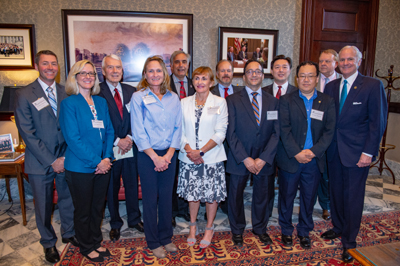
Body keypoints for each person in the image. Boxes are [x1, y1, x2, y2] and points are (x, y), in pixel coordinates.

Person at [322, 46, 387, 263]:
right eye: (342, 59)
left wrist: (368, 152)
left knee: (352, 198)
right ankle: (339, 227)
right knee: (336, 194)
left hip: (358, 154)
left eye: (351, 59)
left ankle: (349, 242)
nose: (346, 62)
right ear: (337, 63)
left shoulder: (372, 85)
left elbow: (377, 123)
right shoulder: (331, 87)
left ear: (359, 61)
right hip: (334, 152)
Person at [14, 50, 78, 264]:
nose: (50, 67)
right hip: (40, 161)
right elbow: (27, 134)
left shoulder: (65, 92)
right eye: (45, 63)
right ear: (36, 66)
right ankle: (48, 243)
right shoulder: (24, 94)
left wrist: (64, 158)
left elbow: (70, 127)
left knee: (68, 200)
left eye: (54, 63)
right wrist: (52, 160)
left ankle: (68, 233)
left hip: (65, 158)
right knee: (43, 206)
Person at [60, 60, 114, 262]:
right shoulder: (69, 104)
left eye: (91, 73)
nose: (88, 77)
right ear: (75, 77)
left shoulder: (100, 102)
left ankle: (96, 241)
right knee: (83, 210)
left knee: (97, 207)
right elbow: (73, 139)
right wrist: (97, 162)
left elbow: (109, 131)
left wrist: (107, 157)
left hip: (103, 164)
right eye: (83, 73)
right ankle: (85, 246)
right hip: (80, 167)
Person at [277, 61, 335, 249]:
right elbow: (283, 130)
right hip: (291, 159)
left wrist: (313, 152)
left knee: (309, 198)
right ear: (297, 78)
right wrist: (296, 153)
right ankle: (286, 230)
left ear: (317, 78)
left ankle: (304, 231)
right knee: (286, 196)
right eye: (303, 75)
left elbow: (329, 131)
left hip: (313, 160)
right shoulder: (286, 100)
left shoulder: (327, 101)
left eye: (311, 76)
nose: (306, 79)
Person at [131, 55, 182, 259]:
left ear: (164, 73)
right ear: (145, 74)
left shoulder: (173, 97)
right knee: (151, 200)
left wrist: (169, 154)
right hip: (147, 155)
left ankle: (166, 237)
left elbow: (178, 127)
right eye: (150, 71)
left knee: (167, 198)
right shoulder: (138, 97)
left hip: (169, 155)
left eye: (158, 70)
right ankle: (153, 241)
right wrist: (155, 157)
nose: (154, 74)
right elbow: (138, 130)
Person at [226, 60, 279, 246]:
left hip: (264, 158)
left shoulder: (273, 101)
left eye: (258, 72)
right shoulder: (232, 100)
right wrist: (245, 158)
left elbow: (276, 133)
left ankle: (260, 228)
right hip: (239, 158)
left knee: (262, 195)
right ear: (244, 76)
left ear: (263, 76)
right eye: (250, 72)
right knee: (235, 196)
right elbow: (230, 133)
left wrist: (264, 158)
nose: (254, 75)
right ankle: (237, 230)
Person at [178, 66, 228, 248]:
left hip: (211, 157)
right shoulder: (183, 102)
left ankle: (209, 227)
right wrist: (191, 151)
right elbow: (179, 130)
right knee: (193, 194)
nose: (200, 82)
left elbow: (220, 132)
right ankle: (193, 226)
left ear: (211, 82)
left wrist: (201, 152)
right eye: (197, 78)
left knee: (211, 195)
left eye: (204, 78)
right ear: (193, 82)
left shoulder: (220, 102)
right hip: (188, 156)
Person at [98, 54, 144, 241]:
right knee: (112, 187)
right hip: (110, 148)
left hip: (131, 146)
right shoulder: (96, 92)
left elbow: (138, 117)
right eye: (111, 67)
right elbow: (99, 121)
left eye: (118, 67)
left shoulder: (131, 91)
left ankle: (134, 219)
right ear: (103, 71)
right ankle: (115, 223)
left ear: (122, 71)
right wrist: (118, 140)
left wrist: (130, 137)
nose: (115, 71)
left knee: (132, 184)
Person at [262, 54, 298, 218]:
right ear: (271, 70)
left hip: (288, 147)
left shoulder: (297, 93)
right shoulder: (262, 92)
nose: (281, 70)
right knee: (266, 184)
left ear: (290, 70)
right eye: (277, 67)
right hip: (267, 145)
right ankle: (266, 213)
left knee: (286, 185)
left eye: (284, 67)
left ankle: (284, 215)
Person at [210, 60, 242, 215]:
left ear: (233, 73)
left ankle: (229, 205)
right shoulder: (209, 92)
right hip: (216, 142)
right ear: (217, 74)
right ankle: (213, 206)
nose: (225, 74)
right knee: (215, 175)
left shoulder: (241, 92)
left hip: (235, 141)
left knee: (231, 176)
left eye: (228, 71)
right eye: (222, 71)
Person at [315, 49, 341, 220]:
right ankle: (321, 204)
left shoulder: (341, 82)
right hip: (314, 134)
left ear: (335, 64)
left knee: (331, 174)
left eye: (327, 61)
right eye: (321, 61)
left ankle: (331, 204)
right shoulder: (313, 80)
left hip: (335, 136)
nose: (323, 64)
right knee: (318, 172)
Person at [169, 50, 194, 226]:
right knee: (171, 177)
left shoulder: (195, 84)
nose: (180, 65)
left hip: (189, 140)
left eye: (184, 62)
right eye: (177, 62)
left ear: (188, 65)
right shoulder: (163, 85)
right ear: (171, 65)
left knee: (186, 176)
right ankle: (170, 211)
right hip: (169, 139)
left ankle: (184, 209)